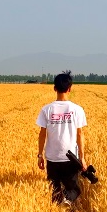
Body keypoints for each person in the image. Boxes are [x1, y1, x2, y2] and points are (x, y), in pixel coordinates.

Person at [36, 70, 87, 204]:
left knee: (54, 189)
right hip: (70, 158)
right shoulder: (77, 110)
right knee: (74, 189)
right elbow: (80, 134)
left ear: (54, 88)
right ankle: (67, 199)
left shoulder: (46, 109)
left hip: (52, 158)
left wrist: (40, 155)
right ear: (69, 89)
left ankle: (58, 207)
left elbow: (42, 134)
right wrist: (82, 158)